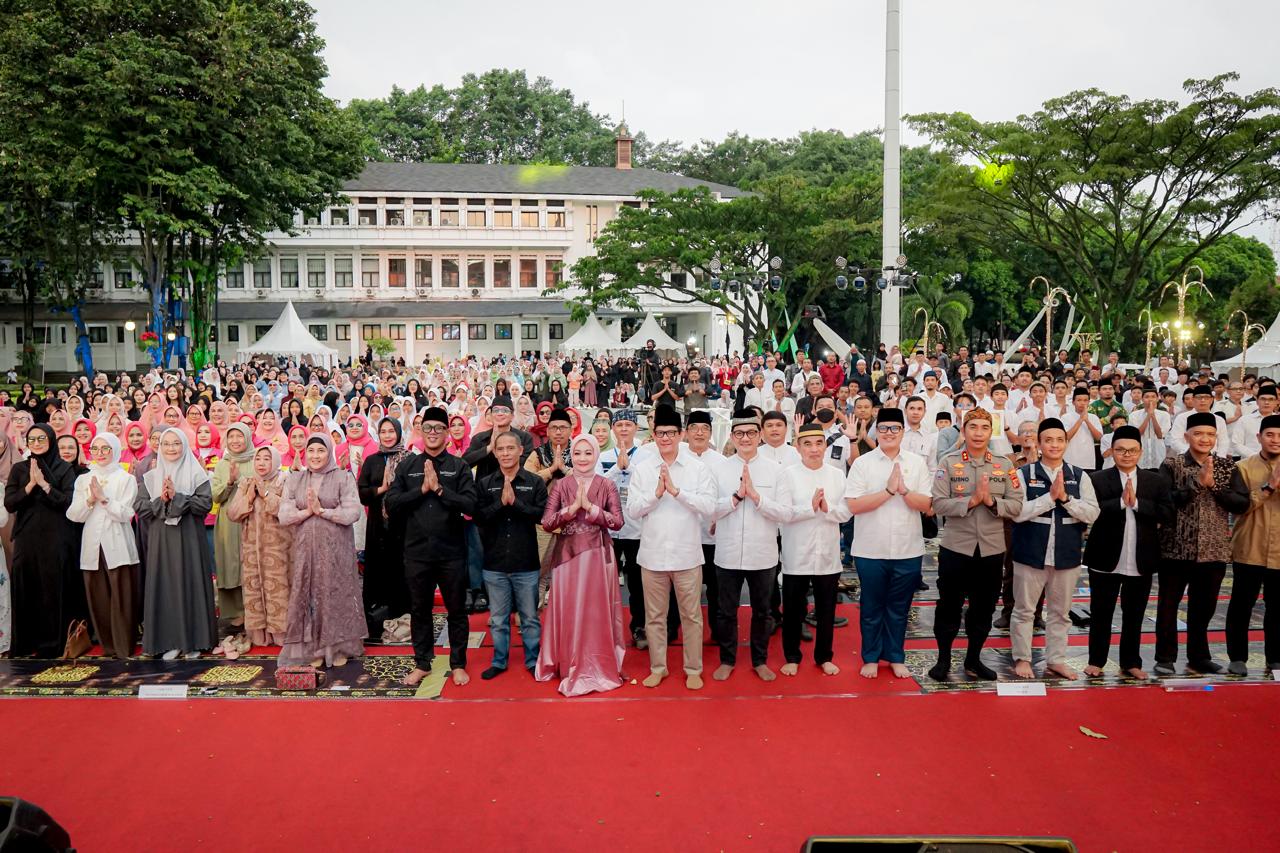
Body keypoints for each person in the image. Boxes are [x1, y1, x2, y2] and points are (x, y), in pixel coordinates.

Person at [929, 408, 1024, 681]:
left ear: (990, 431)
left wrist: (992, 502)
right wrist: (971, 501)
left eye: (984, 427)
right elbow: (938, 502)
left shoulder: (1004, 465)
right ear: (964, 430)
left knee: (983, 608)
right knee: (949, 605)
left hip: (992, 550)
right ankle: (943, 658)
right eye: (973, 427)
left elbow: (1017, 505)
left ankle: (973, 659)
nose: (979, 432)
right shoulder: (948, 462)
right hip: (956, 547)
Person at [386, 406, 478, 688]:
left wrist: (440, 489)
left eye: (439, 428)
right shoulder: (409, 466)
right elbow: (391, 503)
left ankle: (458, 663)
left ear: (447, 433)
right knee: (420, 609)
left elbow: (471, 504)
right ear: (421, 432)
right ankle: (422, 662)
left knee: (456, 609)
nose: (434, 433)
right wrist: (421, 490)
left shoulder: (459, 466)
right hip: (416, 552)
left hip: (451, 551)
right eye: (428, 429)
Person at [627, 406, 717, 690]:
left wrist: (678, 492)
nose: (665, 438)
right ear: (653, 435)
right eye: (660, 433)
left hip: (687, 555)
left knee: (691, 616)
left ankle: (693, 668)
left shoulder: (697, 468)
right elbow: (632, 510)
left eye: (671, 433)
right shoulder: (642, 469)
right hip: (652, 557)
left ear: (681, 435)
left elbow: (708, 506)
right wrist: (656, 495)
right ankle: (659, 667)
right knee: (654, 617)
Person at [1154, 411, 1249, 676]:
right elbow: (1165, 503)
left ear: (1216, 438)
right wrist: (1196, 485)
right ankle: (1165, 657)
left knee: (1203, 607)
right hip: (1176, 548)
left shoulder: (1227, 466)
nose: (1204, 439)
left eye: (1209, 434)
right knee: (1168, 606)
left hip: (1214, 550)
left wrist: (1215, 488)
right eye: (1198, 434)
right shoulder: (1171, 466)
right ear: (1186, 437)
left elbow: (1242, 504)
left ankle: (1199, 656)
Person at [1008, 418, 1100, 680]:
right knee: (1025, 610)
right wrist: (1049, 498)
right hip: (1029, 553)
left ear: (1066, 443)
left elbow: (1093, 513)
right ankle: (1022, 658)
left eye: (1060, 440)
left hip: (1066, 555)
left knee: (1061, 612)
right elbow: (1016, 513)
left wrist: (1066, 499)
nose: (1054, 445)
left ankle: (1056, 659)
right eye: (1048, 440)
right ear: (1038, 443)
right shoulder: (1023, 474)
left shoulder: (1079, 475)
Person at [845, 406, 932, 678]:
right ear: (876, 431)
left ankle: (895, 656)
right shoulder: (863, 463)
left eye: (895, 428)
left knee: (899, 608)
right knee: (871, 607)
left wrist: (904, 491)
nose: (889, 433)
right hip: (870, 549)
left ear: (903, 432)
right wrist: (887, 491)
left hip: (908, 549)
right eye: (883, 428)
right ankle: (870, 656)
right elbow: (855, 506)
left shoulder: (916, 463)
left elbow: (928, 505)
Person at [538, 433, 627, 696]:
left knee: (595, 611)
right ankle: (567, 661)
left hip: (598, 558)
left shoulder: (606, 485)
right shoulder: (562, 485)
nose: (583, 458)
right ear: (571, 456)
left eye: (588, 453)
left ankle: (597, 661)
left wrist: (590, 508)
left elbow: (618, 522)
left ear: (596, 455)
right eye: (578, 453)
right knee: (570, 609)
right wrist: (571, 509)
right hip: (567, 558)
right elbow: (547, 522)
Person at [1082, 425, 1172, 680]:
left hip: (1140, 557)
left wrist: (1139, 504)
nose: (1127, 455)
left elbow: (1167, 513)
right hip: (1104, 556)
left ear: (1141, 452)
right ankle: (1096, 660)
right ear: (1111, 452)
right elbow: (1092, 510)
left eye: (1132, 450)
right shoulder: (1097, 479)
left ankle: (1130, 661)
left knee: (1134, 614)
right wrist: (1122, 502)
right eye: (1121, 450)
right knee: (1101, 612)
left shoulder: (1155, 480)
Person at [709, 413, 789, 682]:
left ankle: (759, 659)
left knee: (763, 611)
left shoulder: (776, 470)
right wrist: (735, 497)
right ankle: (727, 659)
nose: (745, 438)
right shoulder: (719, 469)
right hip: (727, 552)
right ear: (732, 437)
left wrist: (756, 497)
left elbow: (784, 513)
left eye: (751, 433)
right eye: (740, 434)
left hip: (763, 553)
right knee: (725, 611)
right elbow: (709, 509)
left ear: (760, 436)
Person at [277, 433, 366, 669]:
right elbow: (284, 515)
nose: (316, 456)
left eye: (321, 451)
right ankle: (314, 649)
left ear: (330, 453)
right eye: (311, 451)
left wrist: (323, 511)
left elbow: (352, 512)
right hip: (306, 548)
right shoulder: (295, 479)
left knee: (334, 594)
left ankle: (337, 647)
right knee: (309, 595)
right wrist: (308, 512)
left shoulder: (342, 477)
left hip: (336, 549)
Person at [771, 422, 851, 676]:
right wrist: (810, 507)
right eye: (807, 444)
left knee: (826, 610)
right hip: (797, 552)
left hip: (827, 554)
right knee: (793, 610)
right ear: (798, 447)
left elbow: (846, 513)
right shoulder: (788, 474)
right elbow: (783, 513)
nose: (814, 449)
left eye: (818, 443)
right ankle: (792, 656)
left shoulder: (837, 475)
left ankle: (824, 656)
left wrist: (827, 509)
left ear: (825, 446)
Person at [135, 428, 217, 660]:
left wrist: (178, 496)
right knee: (166, 586)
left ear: (184, 446)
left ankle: (193, 642)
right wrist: (162, 499)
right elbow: (140, 507)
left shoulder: (197, 474)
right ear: (159, 447)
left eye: (176, 443)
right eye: (166, 444)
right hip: (162, 541)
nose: (171, 448)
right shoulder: (151, 478)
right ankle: (169, 641)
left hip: (189, 538)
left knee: (190, 583)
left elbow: (205, 505)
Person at [473, 431, 548, 680]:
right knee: (498, 619)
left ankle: (532, 660)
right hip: (494, 563)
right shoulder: (484, 484)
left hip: (525, 562)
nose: (505, 453)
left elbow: (542, 516)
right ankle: (499, 660)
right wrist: (500, 504)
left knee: (529, 617)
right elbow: (479, 517)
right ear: (495, 452)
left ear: (519, 451)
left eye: (510, 448)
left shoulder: (534, 482)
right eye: (500, 449)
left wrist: (516, 503)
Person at [4, 423, 82, 658]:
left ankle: (53, 644)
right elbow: (10, 503)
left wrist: (46, 485)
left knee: (53, 588)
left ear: (50, 440)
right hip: (27, 537)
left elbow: (67, 502)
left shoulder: (64, 468)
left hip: (57, 537)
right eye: (32, 439)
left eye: (41, 439)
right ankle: (27, 642)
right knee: (26, 585)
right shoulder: (19, 469)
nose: (36, 443)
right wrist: (30, 484)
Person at [65, 433, 139, 659]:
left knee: (121, 598)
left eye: (106, 449)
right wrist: (89, 500)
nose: (100, 453)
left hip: (118, 543)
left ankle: (124, 646)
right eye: (96, 449)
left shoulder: (125, 479)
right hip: (92, 544)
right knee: (98, 598)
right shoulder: (83, 479)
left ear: (115, 450)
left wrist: (104, 499)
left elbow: (126, 513)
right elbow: (73, 514)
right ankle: (109, 647)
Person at [1224, 413, 1280, 675]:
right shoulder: (1243, 468)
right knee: (1241, 604)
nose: (1275, 440)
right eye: (1270, 434)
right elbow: (1239, 506)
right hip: (1250, 547)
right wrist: (1269, 487)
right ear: (1259, 437)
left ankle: (1276, 657)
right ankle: (1237, 657)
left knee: (1277, 607)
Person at [223, 446, 293, 647]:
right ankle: (260, 635)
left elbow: (288, 510)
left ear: (276, 461)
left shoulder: (285, 480)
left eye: (266, 459)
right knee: (254, 589)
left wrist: (266, 493)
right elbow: (233, 514)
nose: (261, 463)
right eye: (258, 459)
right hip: (251, 548)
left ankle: (281, 635)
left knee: (278, 590)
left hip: (279, 549)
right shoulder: (247, 483)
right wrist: (249, 498)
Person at [355, 417, 412, 635]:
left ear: (398, 432)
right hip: (378, 525)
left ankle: (403, 617)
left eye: (391, 431)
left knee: (402, 568)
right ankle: (378, 620)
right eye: (383, 431)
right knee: (378, 568)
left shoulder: (410, 459)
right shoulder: (372, 460)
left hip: (403, 524)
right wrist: (382, 488)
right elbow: (362, 492)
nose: (388, 435)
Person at [211, 422, 255, 628]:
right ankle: (236, 610)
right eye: (232, 437)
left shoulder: (257, 459)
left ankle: (254, 608)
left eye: (240, 436)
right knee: (231, 563)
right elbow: (216, 496)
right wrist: (230, 482)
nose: (236, 441)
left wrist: (243, 482)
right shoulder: (222, 464)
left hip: (253, 518)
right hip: (228, 521)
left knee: (252, 562)